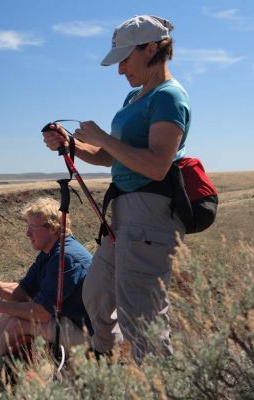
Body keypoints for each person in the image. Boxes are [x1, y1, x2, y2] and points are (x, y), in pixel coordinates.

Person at [42, 15, 189, 362]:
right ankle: (109, 360)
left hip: (150, 214)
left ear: (151, 48)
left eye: (125, 58)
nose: (121, 69)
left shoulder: (170, 97)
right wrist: (71, 145)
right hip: (123, 214)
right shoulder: (133, 99)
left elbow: (156, 165)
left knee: (141, 313)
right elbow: (112, 158)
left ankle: (157, 380)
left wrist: (103, 138)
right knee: (96, 292)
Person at [0, 197, 92, 365]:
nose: (27, 234)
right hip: (70, 321)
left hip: (88, 333)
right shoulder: (50, 253)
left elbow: (41, 314)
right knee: (10, 314)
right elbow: (23, 292)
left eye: (32, 228)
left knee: (17, 323)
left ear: (52, 228)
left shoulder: (65, 257)